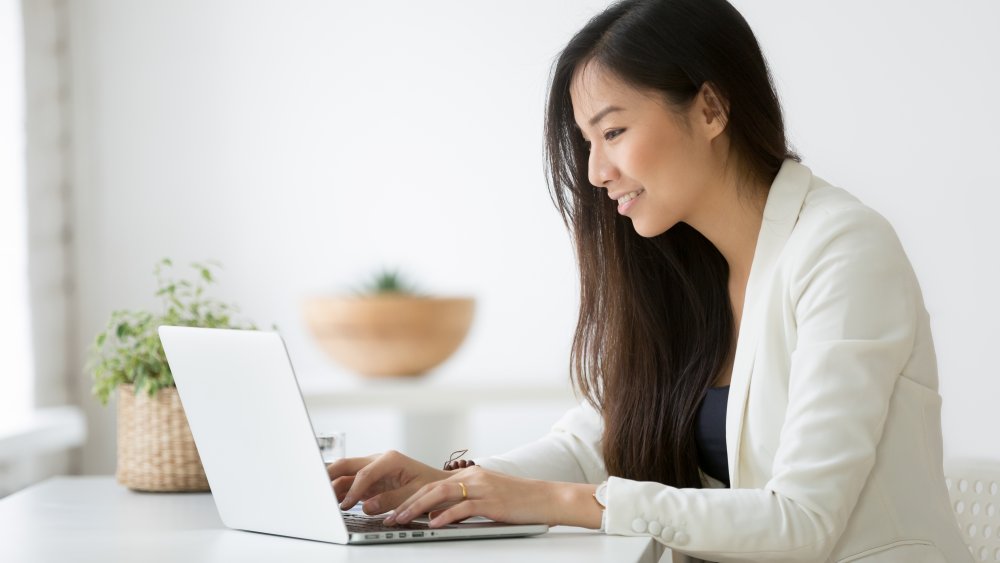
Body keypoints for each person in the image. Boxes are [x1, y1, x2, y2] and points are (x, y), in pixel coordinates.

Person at [327, 1, 972, 561]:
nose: (596, 171)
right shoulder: (684, 271)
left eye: (613, 131)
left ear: (712, 108)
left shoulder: (844, 250)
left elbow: (803, 520)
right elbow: (591, 445)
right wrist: (454, 484)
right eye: (586, 142)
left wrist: (555, 502)